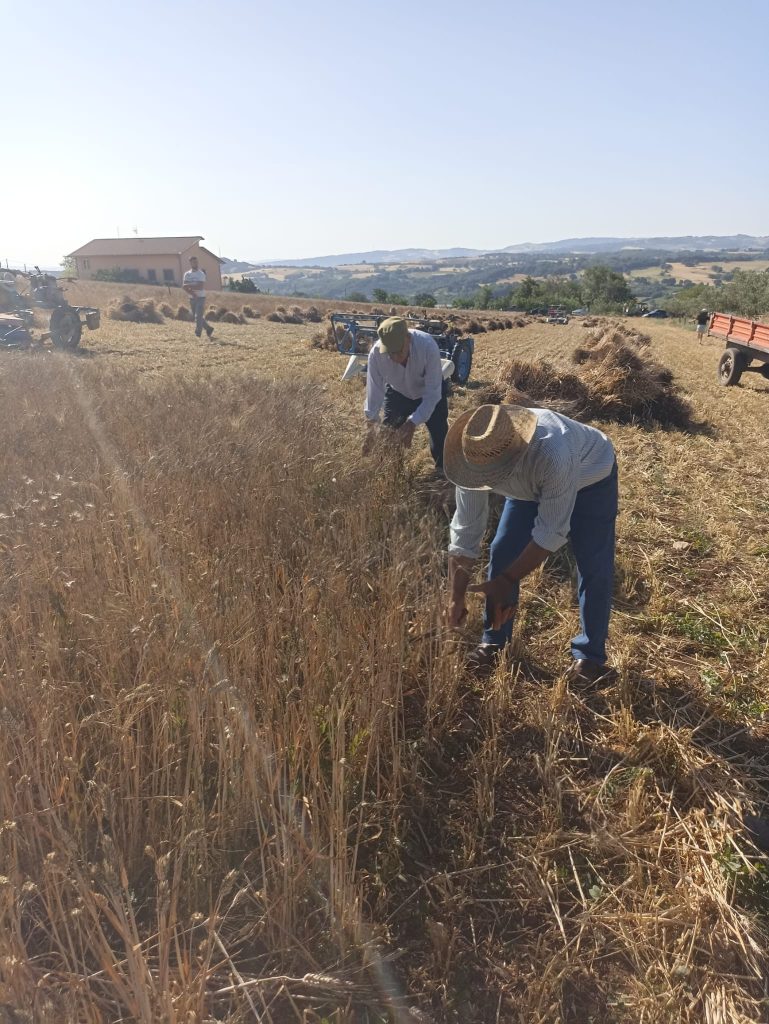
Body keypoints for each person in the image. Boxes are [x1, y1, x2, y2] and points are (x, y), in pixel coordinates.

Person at [445, 403, 618, 686]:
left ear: (513, 458)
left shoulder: (552, 452)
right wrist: (456, 595)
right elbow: (466, 531)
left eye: (491, 478)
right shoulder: (472, 456)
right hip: (528, 487)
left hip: (591, 478)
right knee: (502, 551)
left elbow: (551, 532)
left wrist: (507, 579)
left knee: (593, 565)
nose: (485, 482)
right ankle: (495, 641)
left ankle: (590, 657)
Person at [363, 316, 449, 470]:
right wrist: (371, 426)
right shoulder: (376, 355)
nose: (395, 358)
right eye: (390, 353)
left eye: (399, 351)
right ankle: (392, 472)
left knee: (439, 433)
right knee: (388, 433)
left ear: (408, 338)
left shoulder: (427, 346)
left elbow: (433, 394)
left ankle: (442, 471)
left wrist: (412, 423)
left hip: (428, 392)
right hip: (398, 392)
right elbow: (374, 392)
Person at [182, 255, 214, 340]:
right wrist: (193, 294)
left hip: (201, 298)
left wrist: (189, 286)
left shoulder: (201, 274)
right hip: (192, 298)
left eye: (196, 262)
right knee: (197, 316)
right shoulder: (187, 274)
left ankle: (198, 333)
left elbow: (200, 286)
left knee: (198, 316)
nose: (195, 263)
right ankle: (209, 328)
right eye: (193, 262)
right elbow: (184, 287)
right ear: (190, 263)